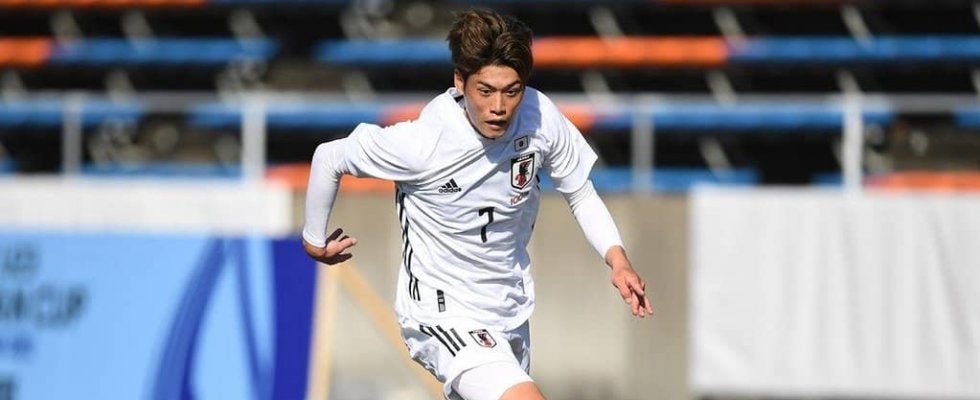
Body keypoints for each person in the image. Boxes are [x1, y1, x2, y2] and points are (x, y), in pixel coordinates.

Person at [302, 8, 653, 400]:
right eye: (485, 91)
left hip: (509, 311)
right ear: (460, 82)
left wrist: (617, 259)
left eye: (512, 91)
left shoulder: (539, 118)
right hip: (443, 314)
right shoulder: (423, 143)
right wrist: (314, 239)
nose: (499, 106)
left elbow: (579, 191)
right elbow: (329, 157)